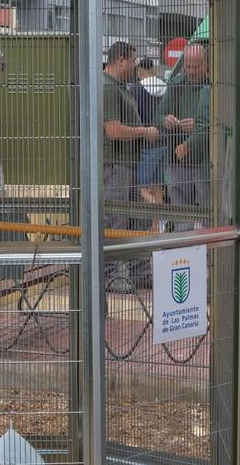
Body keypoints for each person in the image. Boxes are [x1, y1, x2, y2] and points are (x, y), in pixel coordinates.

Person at [183, 83, 240, 297]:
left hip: (218, 170)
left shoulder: (209, 91)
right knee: (239, 221)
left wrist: (186, 146)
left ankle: (216, 280)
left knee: (217, 223)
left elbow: (203, 130)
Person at [102, 41, 159, 292]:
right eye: (133, 61)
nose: (136, 66)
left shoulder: (120, 87)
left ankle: (139, 270)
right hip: (116, 165)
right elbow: (113, 130)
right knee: (117, 220)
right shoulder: (108, 88)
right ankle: (110, 275)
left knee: (138, 215)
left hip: (129, 164)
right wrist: (144, 131)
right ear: (121, 60)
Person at [157, 43, 209, 230]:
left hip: (205, 161)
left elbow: (217, 123)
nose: (191, 71)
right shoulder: (176, 84)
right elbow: (158, 115)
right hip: (178, 160)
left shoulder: (211, 87)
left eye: (196, 67)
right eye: (188, 66)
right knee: (181, 215)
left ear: (206, 65)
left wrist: (198, 125)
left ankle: (211, 255)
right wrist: (166, 120)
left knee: (208, 212)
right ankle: (183, 253)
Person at [131, 58, 168, 232]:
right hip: (164, 142)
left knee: (139, 186)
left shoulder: (137, 89)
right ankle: (156, 227)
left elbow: (134, 114)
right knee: (156, 185)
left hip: (146, 142)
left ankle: (161, 213)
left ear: (139, 70)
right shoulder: (164, 87)